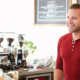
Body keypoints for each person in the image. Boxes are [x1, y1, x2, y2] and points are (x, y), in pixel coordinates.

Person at [54, 4, 80, 80]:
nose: (69, 21)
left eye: (74, 18)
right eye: (68, 17)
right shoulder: (62, 40)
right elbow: (59, 67)